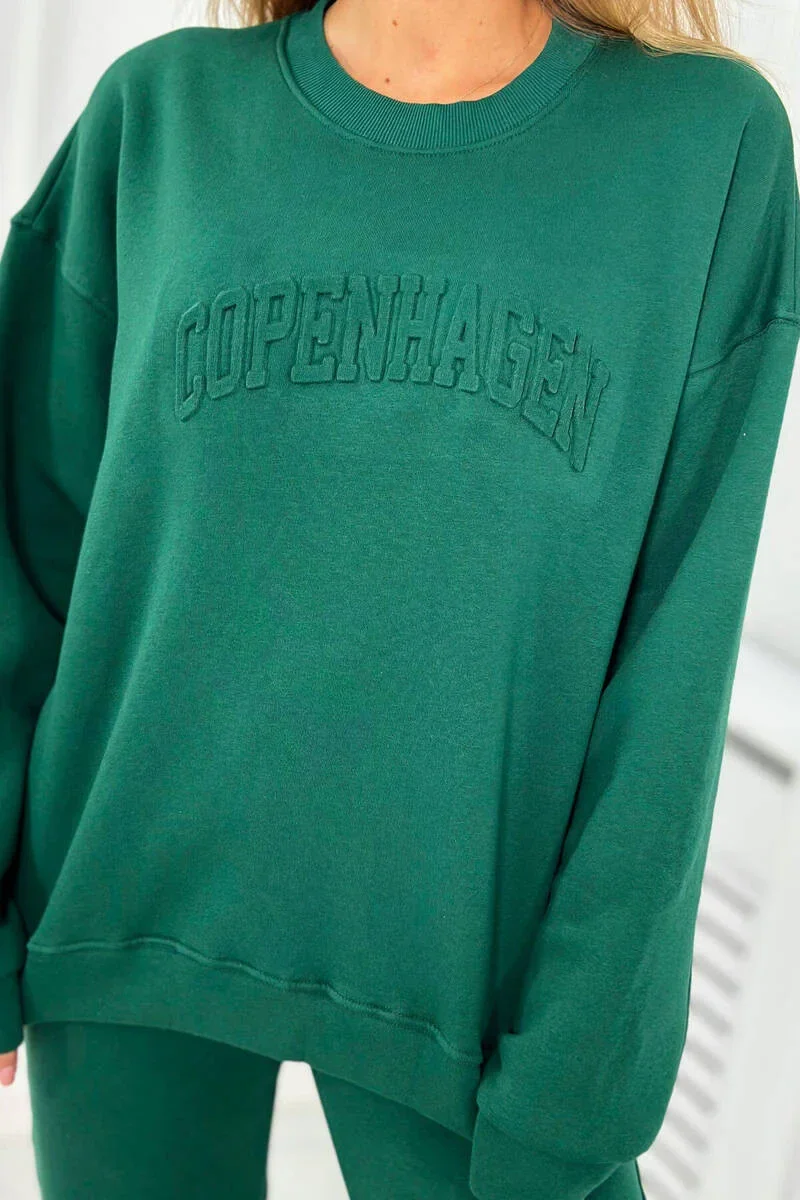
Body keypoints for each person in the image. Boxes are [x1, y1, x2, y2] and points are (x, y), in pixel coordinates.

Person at [1, 0, 798, 1195]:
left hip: (478, 995)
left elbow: (670, 674)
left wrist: (575, 1092)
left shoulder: (705, 146)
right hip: (114, 921)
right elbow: (21, 541)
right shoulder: (158, 115)